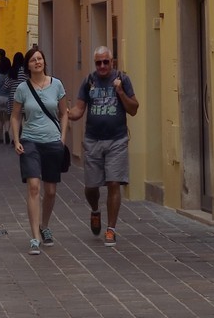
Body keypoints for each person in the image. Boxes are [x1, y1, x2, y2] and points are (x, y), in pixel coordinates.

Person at [67, 47, 139, 248]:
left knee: (114, 183)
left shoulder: (122, 80)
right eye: (98, 62)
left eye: (105, 62)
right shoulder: (89, 81)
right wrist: (66, 113)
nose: (102, 66)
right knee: (91, 187)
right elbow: (79, 109)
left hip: (117, 140)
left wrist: (120, 92)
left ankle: (111, 229)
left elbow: (133, 109)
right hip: (93, 141)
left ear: (112, 61)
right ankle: (95, 210)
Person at [10, 47, 68, 255]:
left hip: (52, 141)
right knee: (34, 187)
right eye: (33, 60)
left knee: (50, 191)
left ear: (44, 62)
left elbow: (64, 113)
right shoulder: (23, 89)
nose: (37, 62)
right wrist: (16, 139)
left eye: (40, 59)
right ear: (28, 65)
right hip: (30, 141)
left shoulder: (57, 85)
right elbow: (16, 116)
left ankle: (45, 226)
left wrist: (62, 137)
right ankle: (35, 236)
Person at [0, 55, 14, 142]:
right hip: (8, 98)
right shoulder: (11, 75)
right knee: (8, 118)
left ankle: (1, 138)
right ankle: (7, 131)